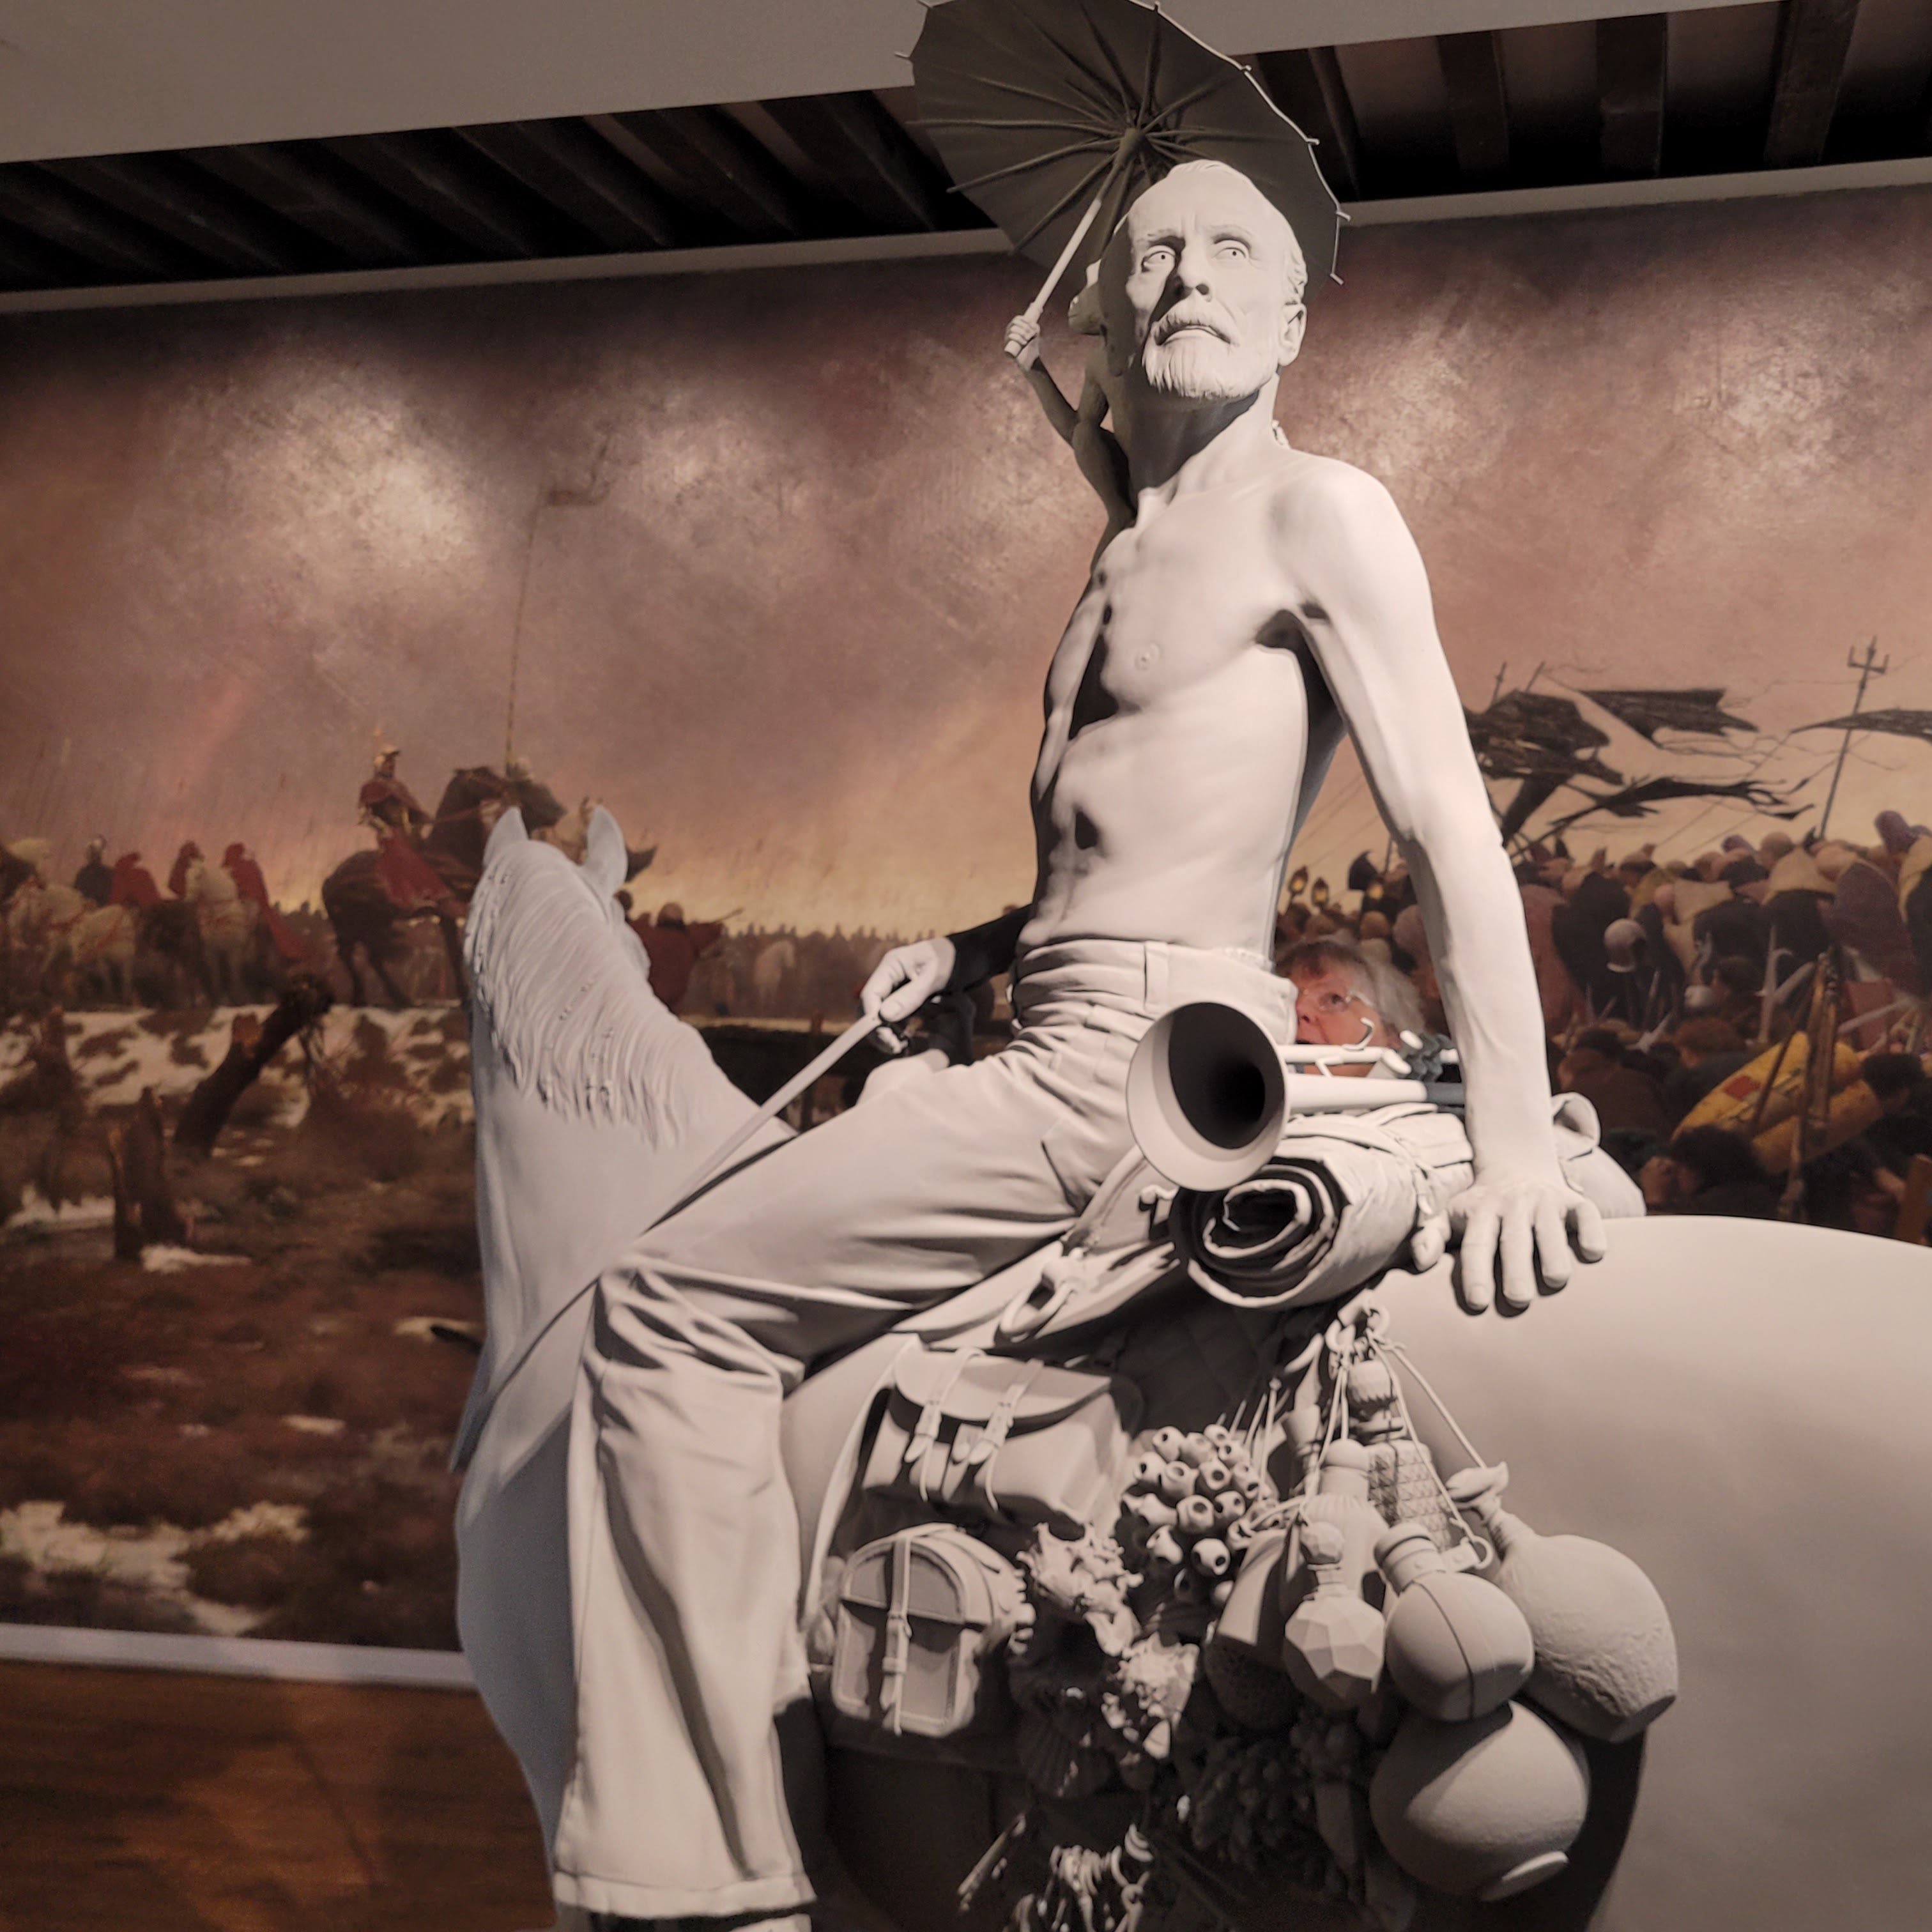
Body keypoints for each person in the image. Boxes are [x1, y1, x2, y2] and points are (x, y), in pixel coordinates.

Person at [556, 160, 1608, 1929]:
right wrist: (972, 950)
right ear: (1107, 309)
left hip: (1121, 1066)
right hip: (1049, 1020)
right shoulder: (1129, 545)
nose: (1186, 273)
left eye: (1233, 252)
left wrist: (1514, 1144)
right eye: (1154, 251)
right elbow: (1122, 848)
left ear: (1292, 318)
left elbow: (1448, 826)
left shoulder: (1320, 512)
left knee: (660, 1306)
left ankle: (706, 1874)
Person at [1004, 263, 1135, 553]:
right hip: (1134, 492)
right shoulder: (1100, 361)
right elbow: (1078, 434)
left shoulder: (1160, 350)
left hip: (1176, 493)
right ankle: (1121, 514)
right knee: (1086, 434)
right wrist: (1032, 365)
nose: (1078, 299)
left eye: (1095, 282)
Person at [358, 739, 454, 914]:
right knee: (404, 857)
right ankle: (418, 897)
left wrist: (429, 820)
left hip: (407, 833)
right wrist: (383, 828)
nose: (391, 765)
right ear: (379, 764)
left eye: (392, 762)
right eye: (388, 761)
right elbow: (364, 815)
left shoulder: (398, 786)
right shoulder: (371, 787)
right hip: (389, 834)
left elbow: (413, 810)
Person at [630, 901, 726, 1015]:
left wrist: (643, 919)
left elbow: (634, 929)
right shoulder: (689, 939)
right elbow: (714, 930)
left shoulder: (650, 936)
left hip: (648, 996)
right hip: (673, 1000)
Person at [73, 836, 112, 908]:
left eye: (94, 853)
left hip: (101, 910)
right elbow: (76, 891)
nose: (91, 855)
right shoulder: (83, 873)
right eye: (90, 852)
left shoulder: (108, 873)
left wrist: (95, 903)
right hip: (82, 908)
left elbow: (109, 894)